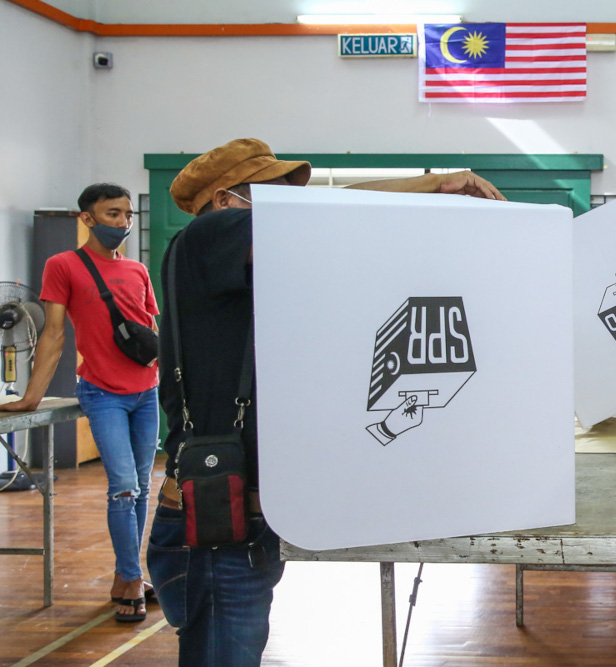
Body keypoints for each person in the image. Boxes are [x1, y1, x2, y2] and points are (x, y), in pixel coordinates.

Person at [148, 137, 506, 666]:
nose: (291, 208)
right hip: (214, 531)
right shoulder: (205, 237)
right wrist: (432, 183)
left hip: (244, 520)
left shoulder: (246, 269)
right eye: (273, 196)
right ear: (226, 200)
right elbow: (317, 219)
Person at [1, 184, 160, 622]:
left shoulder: (137, 271)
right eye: (112, 214)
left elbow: (151, 335)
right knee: (123, 487)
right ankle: (130, 578)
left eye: (128, 215)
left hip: (147, 392)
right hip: (102, 392)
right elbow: (52, 334)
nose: (123, 223)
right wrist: (30, 398)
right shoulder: (63, 265)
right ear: (87, 219)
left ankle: (128, 574)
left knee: (143, 488)